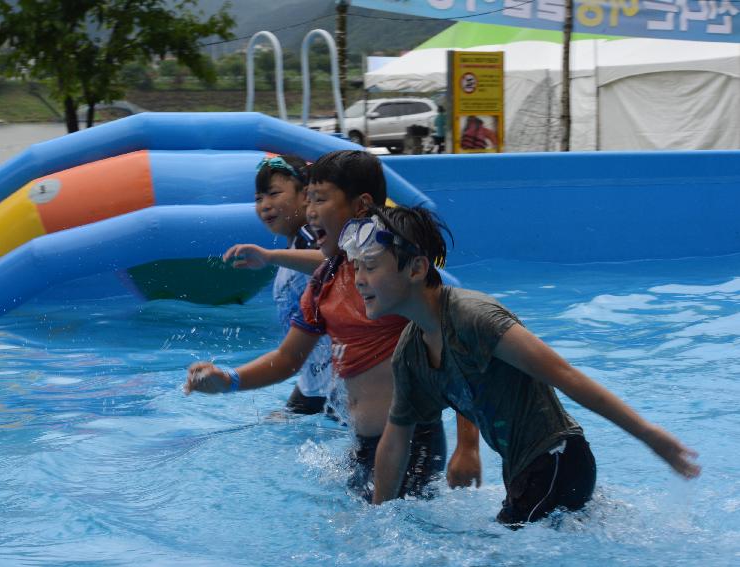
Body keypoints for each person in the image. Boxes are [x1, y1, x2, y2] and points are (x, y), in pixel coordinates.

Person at [339, 205, 701, 523]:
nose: (359, 279)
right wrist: (378, 516)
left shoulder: (473, 317)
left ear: (417, 268)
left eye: (370, 266)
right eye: (356, 267)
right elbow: (395, 440)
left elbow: (565, 375)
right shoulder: (410, 353)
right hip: (527, 472)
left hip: (558, 458)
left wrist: (649, 435)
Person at [185, 150, 481, 501]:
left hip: (411, 441)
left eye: (320, 199)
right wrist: (229, 380)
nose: (309, 211)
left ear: (361, 206)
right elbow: (287, 359)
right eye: (308, 199)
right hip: (362, 443)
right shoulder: (323, 281)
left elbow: (458, 353)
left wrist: (468, 445)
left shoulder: (394, 278)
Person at [249, 154, 334, 414]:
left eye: (274, 194)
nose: (265, 205)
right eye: (258, 198)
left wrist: (270, 256)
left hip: (338, 378)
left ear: (305, 195)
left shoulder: (312, 235)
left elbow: (332, 260)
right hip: (314, 379)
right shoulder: (296, 244)